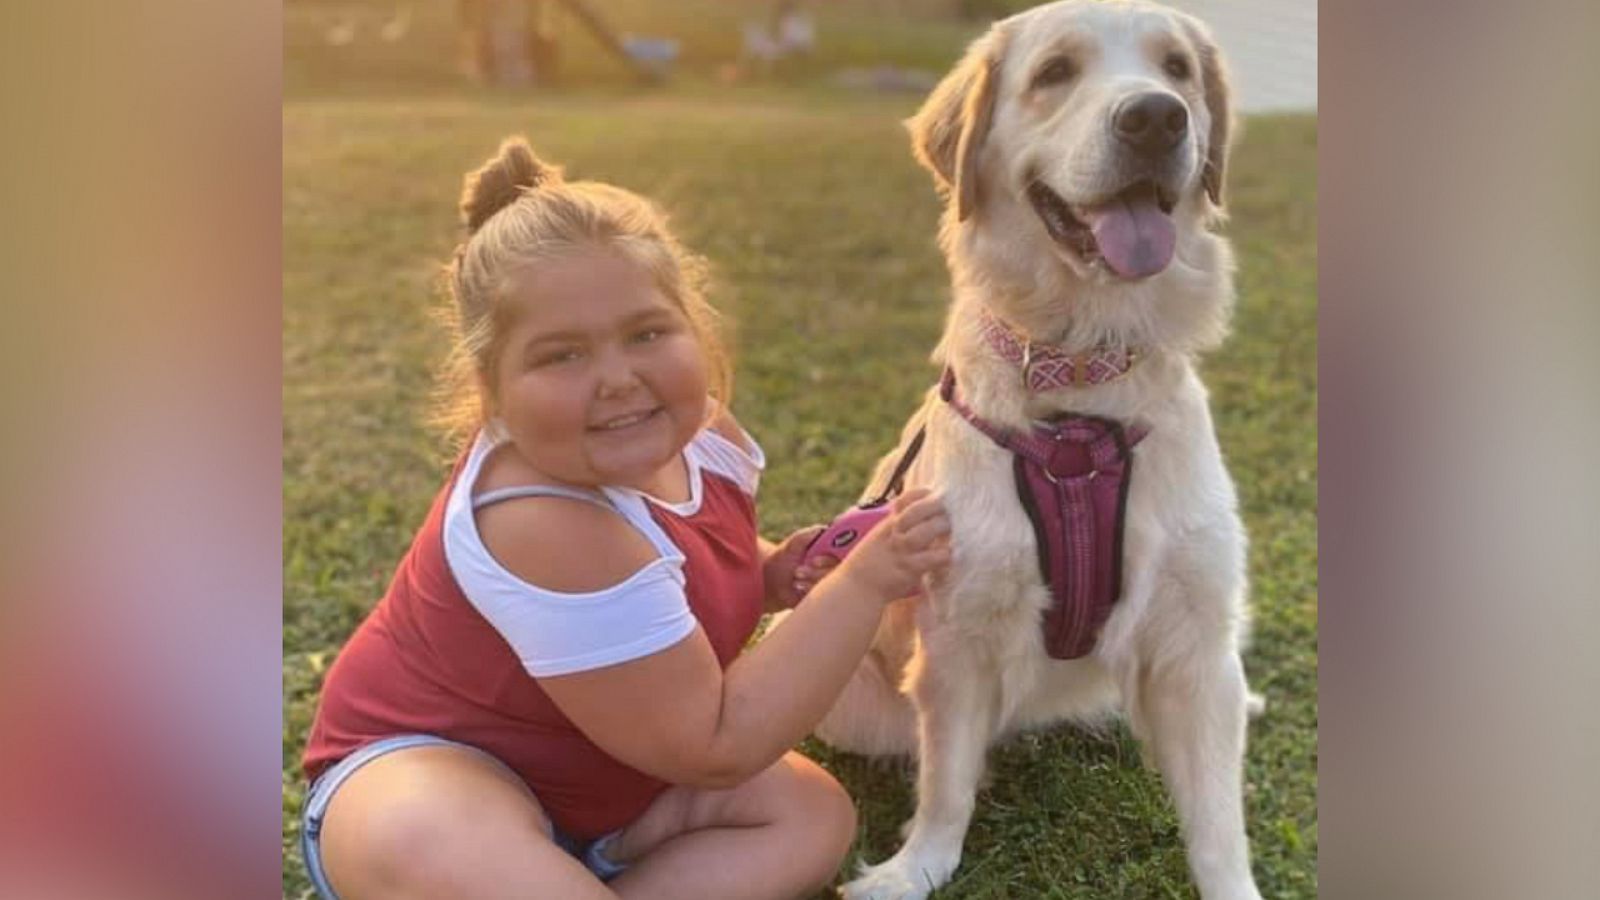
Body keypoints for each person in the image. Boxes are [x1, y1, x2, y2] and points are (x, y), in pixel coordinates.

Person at [298, 136, 951, 900]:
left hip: (618, 792)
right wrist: (866, 582)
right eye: (561, 356)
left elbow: (685, 568)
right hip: (442, 769)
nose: (617, 379)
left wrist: (773, 573)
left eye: (646, 334)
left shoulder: (704, 438)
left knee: (810, 814)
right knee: (418, 830)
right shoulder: (543, 518)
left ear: (693, 328)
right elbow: (716, 744)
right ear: (492, 386)